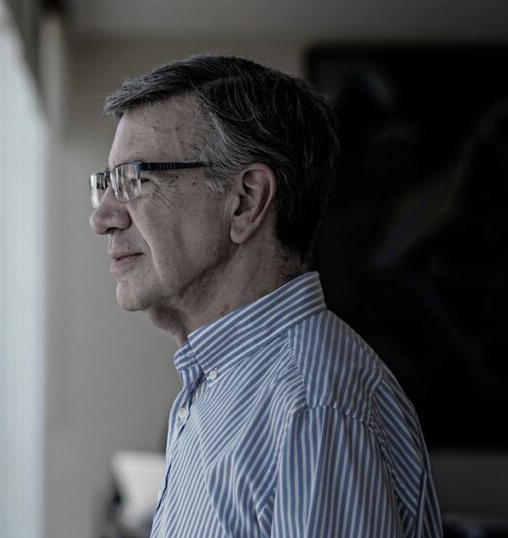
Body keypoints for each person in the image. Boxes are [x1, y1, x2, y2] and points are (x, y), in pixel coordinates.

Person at [89, 55, 442, 537]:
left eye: (135, 180)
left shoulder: (311, 411)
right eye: (107, 184)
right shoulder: (222, 386)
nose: (103, 218)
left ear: (246, 201)